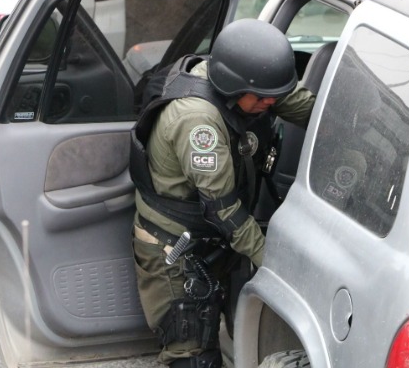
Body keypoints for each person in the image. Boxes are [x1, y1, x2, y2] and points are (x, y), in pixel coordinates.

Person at [130, 19, 316, 368]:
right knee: (192, 355)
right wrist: (272, 262)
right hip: (176, 248)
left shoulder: (248, 82)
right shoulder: (197, 121)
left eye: (273, 96)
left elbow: (307, 108)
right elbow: (224, 210)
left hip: (215, 238)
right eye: (262, 97)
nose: (269, 102)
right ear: (233, 87)